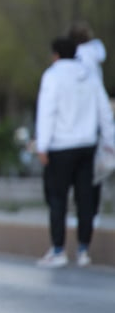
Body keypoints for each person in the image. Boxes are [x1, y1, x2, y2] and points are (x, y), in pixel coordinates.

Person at [35, 37, 114, 268]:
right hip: (87, 146)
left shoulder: (52, 76)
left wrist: (43, 145)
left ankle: (58, 249)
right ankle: (83, 250)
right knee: (85, 198)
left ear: (56, 54)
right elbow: (104, 111)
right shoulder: (89, 76)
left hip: (60, 147)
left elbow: (47, 112)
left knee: (58, 198)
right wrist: (109, 140)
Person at [68, 21, 108, 222]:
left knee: (80, 171)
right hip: (94, 122)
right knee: (94, 171)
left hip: (79, 121)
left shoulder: (78, 58)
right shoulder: (95, 57)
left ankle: (84, 212)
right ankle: (94, 212)